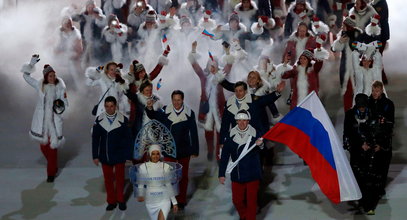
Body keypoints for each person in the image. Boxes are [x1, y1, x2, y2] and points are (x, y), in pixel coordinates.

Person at [145, 90, 199, 209]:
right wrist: (149, 108)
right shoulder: (165, 110)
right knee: (169, 177)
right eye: (174, 100)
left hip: (184, 149)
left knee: (183, 176)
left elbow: (193, 132)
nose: (176, 102)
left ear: (182, 100)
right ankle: (171, 199)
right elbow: (154, 116)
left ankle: (181, 200)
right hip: (169, 149)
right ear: (171, 100)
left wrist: (194, 150)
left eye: (179, 100)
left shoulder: (189, 113)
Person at [21, 55, 68, 183]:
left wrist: (60, 107)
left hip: (54, 121)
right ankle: (53, 166)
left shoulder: (60, 88)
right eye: (50, 76)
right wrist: (31, 64)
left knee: (53, 149)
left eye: (54, 75)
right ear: (46, 77)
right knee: (44, 147)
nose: (52, 78)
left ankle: (51, 173)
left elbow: (65, 103)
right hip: (41, 121)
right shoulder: (39, 85)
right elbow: (26, 76)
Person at [218, 110, 264, 220]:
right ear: (236, 121)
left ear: (248, 121)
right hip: (237, 173)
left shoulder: (256, 134)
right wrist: (221, 174)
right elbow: (224, 156)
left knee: (251, 202)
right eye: (239, 120)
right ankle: (245, 216)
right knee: (237, 201)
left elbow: (262, 149)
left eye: (244, 120)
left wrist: (261, 144)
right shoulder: (230, 136)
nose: (242, 123)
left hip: (252, 173)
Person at [92, 96, 132, 211]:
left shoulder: (123, 120)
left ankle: (121, 200)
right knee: (108, 180)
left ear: (116, 106)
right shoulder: (99, 120)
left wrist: (128, 156)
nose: (109, 109)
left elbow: (128, 140)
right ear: (104, 107)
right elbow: (95, 140)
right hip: (105, 155)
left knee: (120, 179)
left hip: (119, 154)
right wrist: (95, 155)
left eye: (112, 106)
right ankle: (111, 201)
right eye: (107, 106)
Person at [137, 144, 178, 219]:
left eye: (157, 154)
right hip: (151, 201)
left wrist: (174, 202)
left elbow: (168, 185)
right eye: (153, 154)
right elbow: (141, 184)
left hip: (164, 199)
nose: (155, 156)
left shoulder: (165, 166)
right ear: (150, 154)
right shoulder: (143, 167)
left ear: (160, 155)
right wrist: (140, 194)